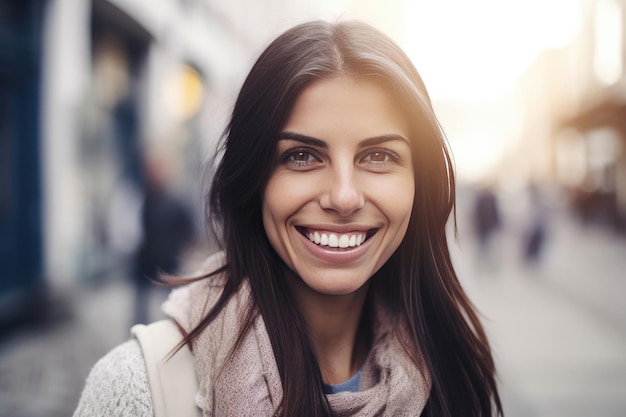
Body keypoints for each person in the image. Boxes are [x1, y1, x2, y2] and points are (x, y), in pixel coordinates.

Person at [73, 20, 502, 417]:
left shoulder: (454, 374)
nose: (344, 196)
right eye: (301, 156)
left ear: (419, 184)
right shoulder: (136, 390)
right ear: (253, 179)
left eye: (377, 156)